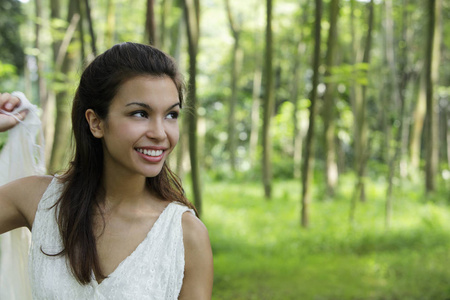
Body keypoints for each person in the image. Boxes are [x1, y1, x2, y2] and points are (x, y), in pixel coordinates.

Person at [0, 42, 213, 299]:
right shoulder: (37, 200)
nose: (160, 133)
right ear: (96, 122)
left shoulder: (186, 235)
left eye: (171, 115)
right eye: (139, 113)